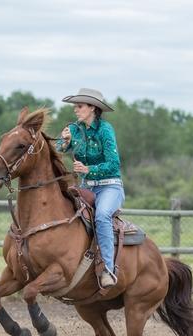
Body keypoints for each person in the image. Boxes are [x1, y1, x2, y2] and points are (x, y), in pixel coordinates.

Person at [56, 88, 124, 288]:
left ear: (92, 108)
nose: (75, 110)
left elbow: (114, 164)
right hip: (86, 187)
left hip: (110, 187)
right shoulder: (75, 129)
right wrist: (64, 141)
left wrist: (88, 169)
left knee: (102, 215)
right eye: (75, 106)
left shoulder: (105, 130)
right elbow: (58, 149)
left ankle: (108, 270)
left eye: (79, 106)